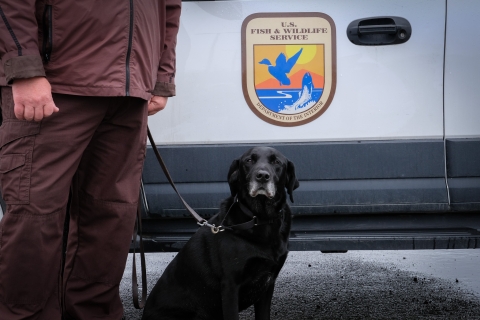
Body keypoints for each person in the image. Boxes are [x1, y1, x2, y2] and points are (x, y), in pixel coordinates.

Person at [0, 1, 181, 319]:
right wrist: (25, 70)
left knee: (111, 217)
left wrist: (161, 75)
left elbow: (169, 5)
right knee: (34, 216)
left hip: (130, 90)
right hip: (54, 82)